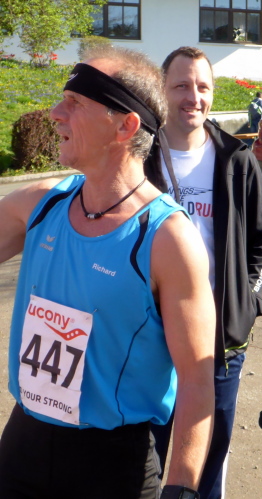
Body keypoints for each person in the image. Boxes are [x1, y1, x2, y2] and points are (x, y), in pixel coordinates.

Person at [0, 45, 215, 499]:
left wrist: (182, 489)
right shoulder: (41, 205)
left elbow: (197, 383)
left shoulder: (168, 239)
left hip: (112, 466)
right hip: (23, 446)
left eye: (75, 103)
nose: (55, 114)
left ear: (125, 126)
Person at [145, 46, 262, 499]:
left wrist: (248, 300)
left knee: (206, 457)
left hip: (218, 340)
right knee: (144, 454)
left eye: (202, 87)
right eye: (181, 85)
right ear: (162, 90)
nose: (193, 97)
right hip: (146, 335)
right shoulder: (139, 156)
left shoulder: (236, 160)